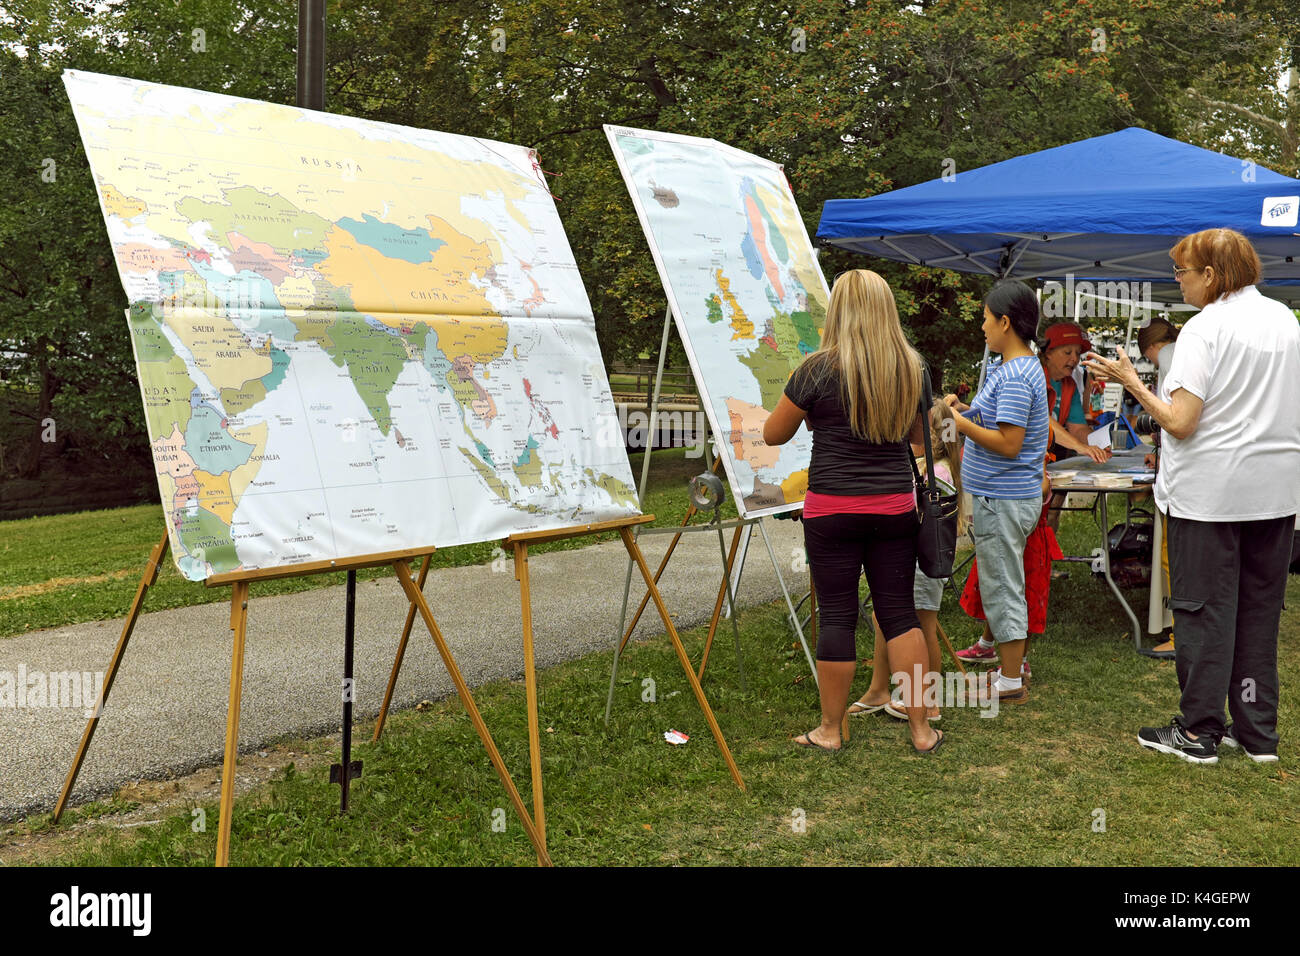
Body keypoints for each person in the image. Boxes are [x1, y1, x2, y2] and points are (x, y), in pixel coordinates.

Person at [1084, 228, 1300, 764]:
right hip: (1274, 493)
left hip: (1211, 497)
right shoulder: (1284, 321)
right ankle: (1256, 733)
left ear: (1210, 274)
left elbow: (1181, 422)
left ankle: (1200, 730)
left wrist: (1131, 382)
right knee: (1257, 609)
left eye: (1182, 271)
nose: (1176, 279)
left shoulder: (1204, 330)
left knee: (1203, 611)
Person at [764, 269, 942, 753]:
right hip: (893, 510)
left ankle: (829, 730)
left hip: (831, 511)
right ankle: (922, 731)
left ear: (838, 309)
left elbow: (773, 435)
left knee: (839, 614)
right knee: (900, 613)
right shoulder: (912, 368)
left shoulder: (815, 369)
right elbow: (922, 440)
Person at [944, 279, 1050, 705]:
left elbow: (1008, 442)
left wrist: (961, 423)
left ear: (1005, 322)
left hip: (1003, 500)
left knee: (1003, 586)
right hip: (1002, 498)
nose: (982, 328)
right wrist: (959, 413)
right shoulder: (1013, 370)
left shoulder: (1017, 376)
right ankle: (1008, 667)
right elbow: (987, 421)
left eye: (986, 320)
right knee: (1001, 581)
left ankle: (1009, 680)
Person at [848, 400, 968, 722]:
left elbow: (923, 515)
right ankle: (878, 690)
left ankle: (927, 701)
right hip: (907, 557)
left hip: (923, 561)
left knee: (923, 624)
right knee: (881, 618)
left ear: (934, 435)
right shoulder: (926, 465)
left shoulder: (938, 471)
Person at [1136, 317, 1180, 657]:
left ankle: (1180, 636)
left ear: (1151, 348)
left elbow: (1170, 417)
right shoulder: (1186, 352)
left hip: (1180, 484)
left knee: (1172, 556)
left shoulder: (1168, 358)